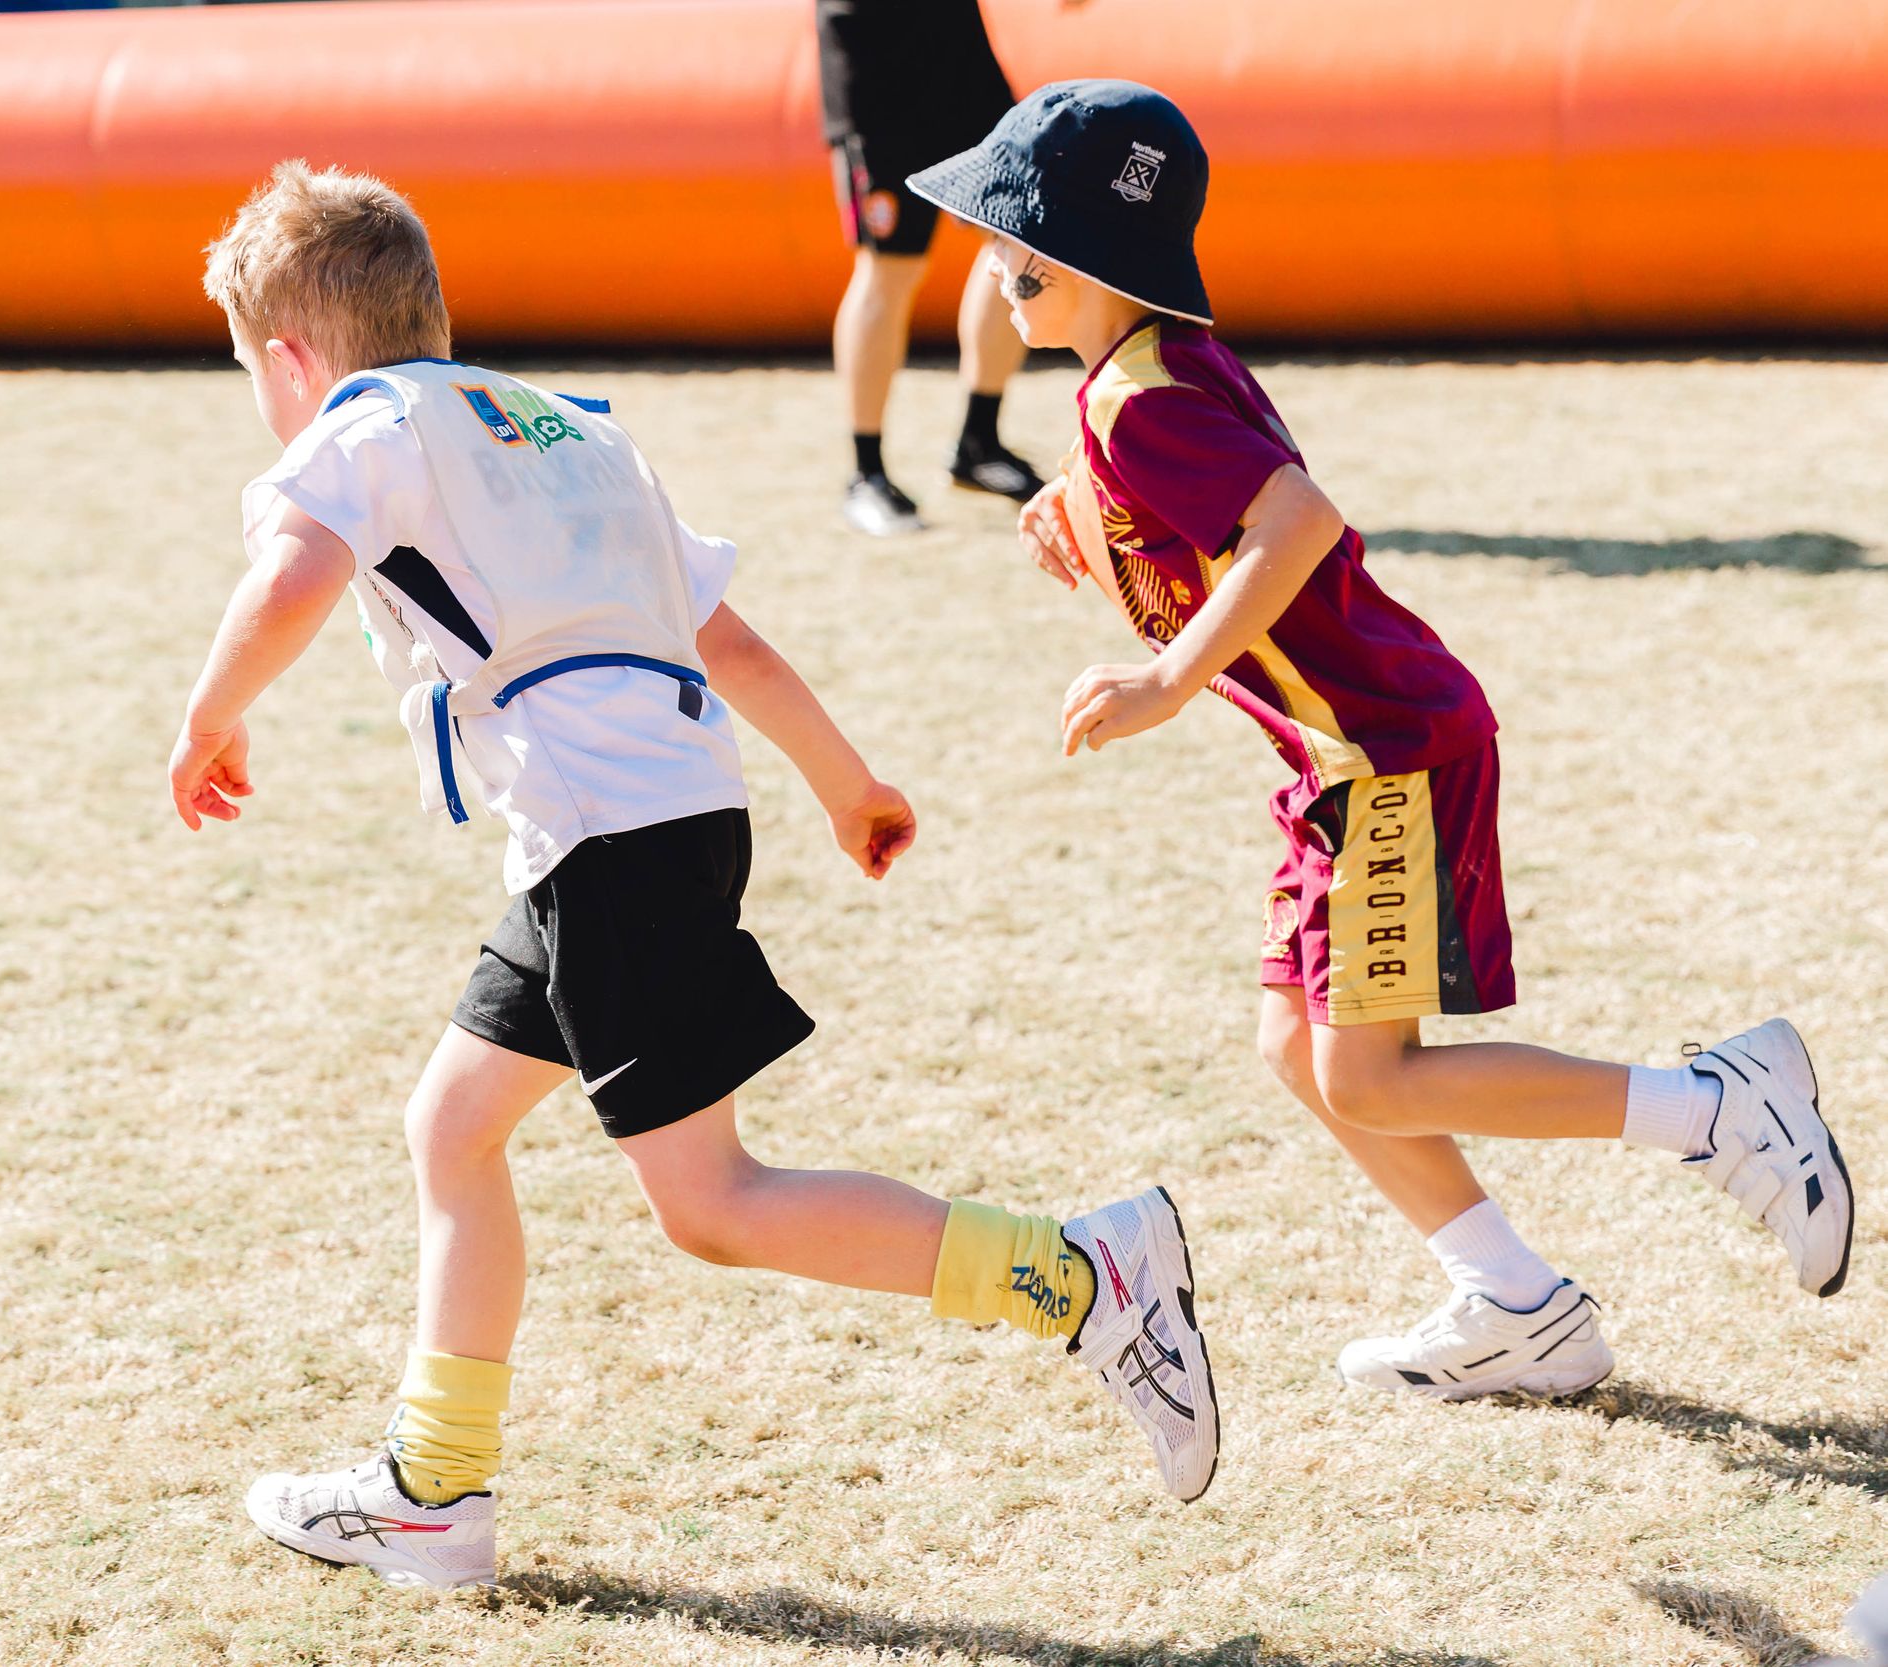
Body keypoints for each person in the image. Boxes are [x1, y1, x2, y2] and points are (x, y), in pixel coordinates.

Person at [167, 160, 1220, 1591]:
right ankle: (433, 1491)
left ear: (291, 361)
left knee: (712, 1200)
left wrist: (209, 718)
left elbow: (293, 569)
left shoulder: (358, 426)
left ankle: (1082, 1274)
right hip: (647, 823)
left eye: (253, 373)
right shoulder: (565, 430)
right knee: (452, 1127)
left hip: (612, 839)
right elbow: (724, 636)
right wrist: (845, 781)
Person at [905, 82, 1854, 1401]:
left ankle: (1716, 1106)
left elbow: (1294, 520)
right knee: (1297, 1049)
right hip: (1343, 762)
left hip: (1384, 755)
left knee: (1368, 1071)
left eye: (1007, 241)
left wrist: (1166, 678)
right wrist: (1082, 516)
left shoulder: (1139, 400)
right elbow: (1204, 514)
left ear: (1071, 256)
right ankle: (1517, 1306)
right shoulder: (1149, 371)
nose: (989, 265)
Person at [817, 0, 1045, 535]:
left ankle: (979, 443)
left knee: (1020, 235)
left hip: (957, 55)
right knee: (892, 266)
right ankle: (867, 474)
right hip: (875, 63)